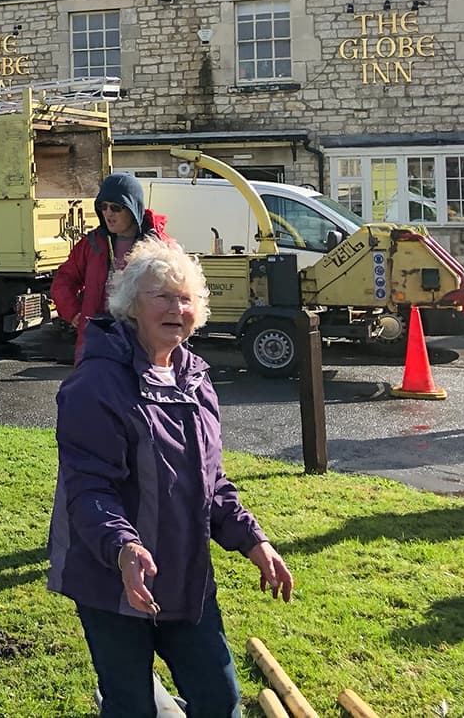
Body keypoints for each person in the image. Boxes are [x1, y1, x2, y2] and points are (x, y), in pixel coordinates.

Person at [48, 239, 292, 717]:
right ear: (131, 306)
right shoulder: (94, 385)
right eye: (161, 295)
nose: (175, 308)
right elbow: (89, 488)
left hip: (184, 578)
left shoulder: (195, 380)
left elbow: (212, 482)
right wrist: (124, 548)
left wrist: (253, 540)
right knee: (131, 705)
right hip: (113, 581)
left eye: (185, 298)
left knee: (220, 699)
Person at [52, 172, 172, 364]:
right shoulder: (91, 244)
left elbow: (179, 295)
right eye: (103, 206)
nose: (108, 213)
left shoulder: (160, 246)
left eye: (116, 207)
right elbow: (64, 280)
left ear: (134, 208)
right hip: (97, 342)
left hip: (143, 343)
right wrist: (73, 312)